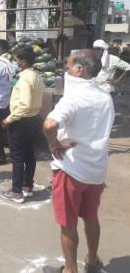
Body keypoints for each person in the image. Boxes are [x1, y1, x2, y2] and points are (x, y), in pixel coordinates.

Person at [42, 50, 114, 273]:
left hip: (71, 170)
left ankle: (70, 270)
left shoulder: (74, 97)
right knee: (91, 218)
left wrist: (54, 144)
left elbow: (49, 125)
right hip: (96, 170)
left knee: (68, 224)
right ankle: (92, 260)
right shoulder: (104, 96)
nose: (66, 69)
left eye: (69, 65)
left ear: (80, 69)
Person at [0, 44, 43, 203]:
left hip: (21, 122)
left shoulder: (25, 79)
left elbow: (24, 105)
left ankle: (16, 192)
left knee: (17, 158)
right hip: (33, 120)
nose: (15, 62)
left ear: (24, 61)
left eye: (17, 60)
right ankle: (27, 186)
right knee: (29, 155)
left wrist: (8, 119)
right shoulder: (36, 76)